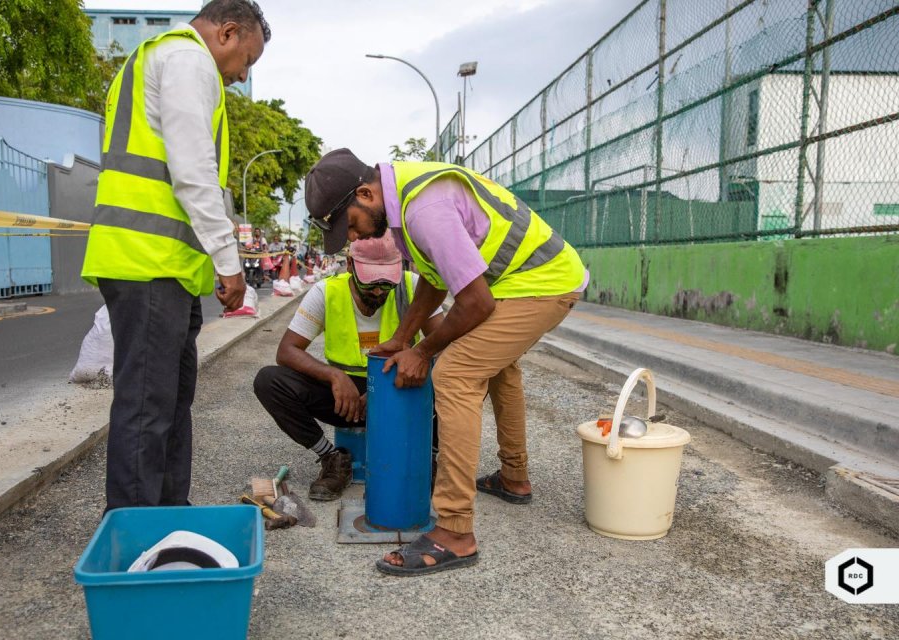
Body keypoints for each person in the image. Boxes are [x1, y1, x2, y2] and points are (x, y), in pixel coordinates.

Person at [304, 148, 588, 575]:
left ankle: (455, 532)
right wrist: (401, 337)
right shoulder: (403, 203)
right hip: (530, 278)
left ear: (364, 194)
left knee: (455, 373)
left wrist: (422, 351)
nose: (355, 238)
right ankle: (514, 477)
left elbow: (475, 303)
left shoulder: (424, 211)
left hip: (544, 283)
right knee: (499, 366)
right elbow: (435, 282)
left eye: (352, 226)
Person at [80, 0, 272, 513]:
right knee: (147, 407)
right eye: (246, 60)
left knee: (169, 402)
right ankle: (135, 537)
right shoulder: (188, 61)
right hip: (147, 261)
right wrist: (229, 264)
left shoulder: (161, 60)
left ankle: (168, 517)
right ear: (228, 33)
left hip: (164, 266)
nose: (241, 75)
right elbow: (193, 173)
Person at [253, 231, 443, 500]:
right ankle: (332, 458)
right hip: (348, 400)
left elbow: (449, 346)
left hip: (401, 392)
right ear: (351, 265)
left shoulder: (413, 287)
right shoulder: (326, 292)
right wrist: (333, 376)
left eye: (386, 283)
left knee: (460, 374)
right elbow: (287, 351)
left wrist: (385, 388)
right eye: (370, 283)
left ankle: (428, 458)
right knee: (269, 381)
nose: (378, 291)